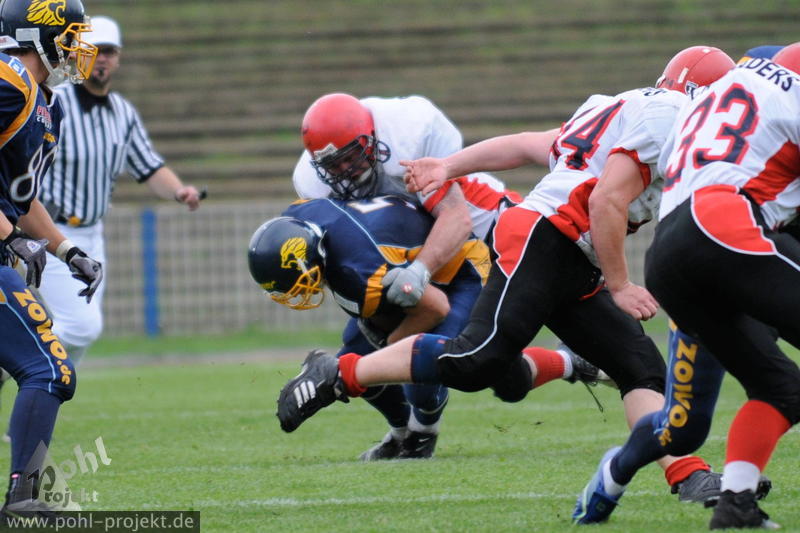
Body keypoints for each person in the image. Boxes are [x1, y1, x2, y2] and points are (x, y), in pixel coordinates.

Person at [276, 47, 737, 502]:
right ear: (704, 94)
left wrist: (448, 166)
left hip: (568, 251)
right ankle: (338, 373)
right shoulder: (672, 115)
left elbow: (524, 144)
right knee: (474, 360)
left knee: (641, 371)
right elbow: (605, 201)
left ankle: (689, 476)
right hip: (545, 238)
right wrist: (620, 285)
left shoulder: (621, 107)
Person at [573, 43, 800, 529]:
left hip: (674, 255)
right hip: (727, 230)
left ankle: (733, 504)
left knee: (771, 393)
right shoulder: (787, 95)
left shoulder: (726, 93)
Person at [250, 196, 605, 459]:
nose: (295, 291)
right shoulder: (300, 217)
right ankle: (400, 435)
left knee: (443, 365)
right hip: (409, 269)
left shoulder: (355, 270)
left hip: (463, 271)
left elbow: (435, 307)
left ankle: (423, 435)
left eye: (295, 281)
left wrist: (390, 348)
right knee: (356, 354)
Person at [35, 15, 203, 365]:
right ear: (78, 54)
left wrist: (179, 192)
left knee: (78, 338)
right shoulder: (54, 102)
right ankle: (15, 361)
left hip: (93, 235)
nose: (102, 59)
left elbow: (148, 166)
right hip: (52, 231)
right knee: (82, 327)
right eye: (94, 51)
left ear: (119, 57)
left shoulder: (122, 113)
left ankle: (46, 388)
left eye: (109, 51)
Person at [0, 0, 103, 515]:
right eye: (69, 36)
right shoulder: (8, 80)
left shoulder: (46, 101)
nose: (78, 48)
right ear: (35, 35)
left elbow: (21, 198)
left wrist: (66, 249)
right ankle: (22, 499)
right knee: (49, 370)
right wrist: (9, 236)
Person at [294, 93, 522, 308]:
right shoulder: (313, 185)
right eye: (333, 165)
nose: (346, 169)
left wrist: (418, 271)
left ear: (371, 136)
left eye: (350, 156)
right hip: (429, 257)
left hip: (491, 228)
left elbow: (457, 218)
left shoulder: (411, 134)